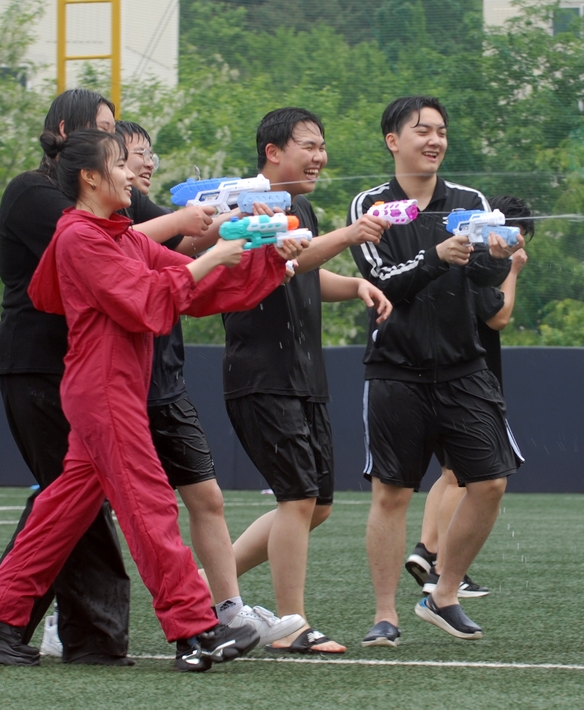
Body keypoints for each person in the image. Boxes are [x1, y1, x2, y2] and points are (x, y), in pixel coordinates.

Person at [0, 128, 299, 672]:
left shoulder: (119, 238)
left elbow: (196, 293)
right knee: (150, 505)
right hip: (104, 393)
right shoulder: (81, 238)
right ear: (90, 177)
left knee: (63, 509)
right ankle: (195, 629)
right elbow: (145, 303)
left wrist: (265, 257)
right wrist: (218, 255)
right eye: (121, 163)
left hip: (110, 390)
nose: (133, 175)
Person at [0, 89, 134, 667]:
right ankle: (61, 631)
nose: (121, 145)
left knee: (68, 501)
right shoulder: (34, 193)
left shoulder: (90, 204)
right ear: (67, 132)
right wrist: (195, 234)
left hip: (73, 372)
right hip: (38, 367)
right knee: (73, 503)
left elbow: (145, 246)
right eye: (108, 133)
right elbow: (123, 251)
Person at [349, 96, 525, 648]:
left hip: (464, 366)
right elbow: (384, 282)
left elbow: (485, 283)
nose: (434, 140)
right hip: (395, 368)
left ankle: (443, 594)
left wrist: (496, 256)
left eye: (442, 131)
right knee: (391, 493)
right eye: (421, 130)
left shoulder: (470, 200)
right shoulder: (369, 205)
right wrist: (436, 256)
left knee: (490, 481)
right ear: (391, 140)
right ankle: (385, 615)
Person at [225, 107, 393, 654]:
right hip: (261, 373)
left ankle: (212, 588)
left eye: (322, 146)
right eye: (309, 145)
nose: (319, 156)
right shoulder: (246, 203)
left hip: (304, 376)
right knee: (297, 496)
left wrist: (358, 287)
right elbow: (283, 266)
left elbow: (307, 275)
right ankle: (291, 624)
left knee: (316, 504)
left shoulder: (300, 206)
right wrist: (351, 233)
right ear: (273, 151)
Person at [405, 195, 533, 600]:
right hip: (467, 376)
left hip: (447, 373)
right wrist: (511, 269)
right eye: (519, 237)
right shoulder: (478, 259)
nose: (520, 246)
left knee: (451, 474)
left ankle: (426, 551)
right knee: (468, 477)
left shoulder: (464, 253)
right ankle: (443, 568)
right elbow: (499, 315)